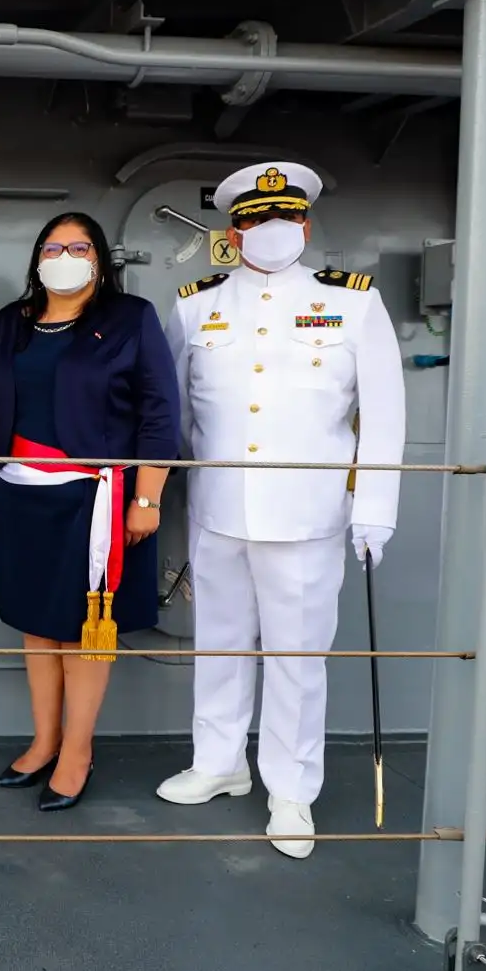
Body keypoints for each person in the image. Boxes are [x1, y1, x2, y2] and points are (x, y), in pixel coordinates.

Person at [156, 161, 403, 860]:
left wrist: (375, 508)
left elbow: (383, 415)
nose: (272, 229)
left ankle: (291, 791)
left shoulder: (353, 303)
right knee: (220, 643)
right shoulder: (194, 305)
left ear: (306, 226)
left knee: (297, 657)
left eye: (285, 217)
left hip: (307, 515)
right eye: (256, 219)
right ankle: (219, 763)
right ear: (234, 232)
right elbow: (175, 413)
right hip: (218, 509)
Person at [0, 212, 179, 812]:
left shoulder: (130, 318)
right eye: (53, 247)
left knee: (85, 628)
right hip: (19, 492)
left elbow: (159, 411)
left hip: (95, 498)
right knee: (36, 623)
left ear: (100, 260)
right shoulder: (9, 323)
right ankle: (44, 741)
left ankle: (77, 752)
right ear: (37, 259)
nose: (65, 256)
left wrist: (147, 498)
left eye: (79, 247)